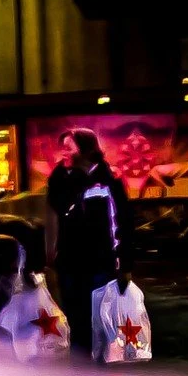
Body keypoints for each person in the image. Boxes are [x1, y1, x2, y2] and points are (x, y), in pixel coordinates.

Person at [47, 128, 132, 357]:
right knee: (75, 318)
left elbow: (121, 220)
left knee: (99, 318)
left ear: (85, 149)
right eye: (62, 146)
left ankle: (101, 367)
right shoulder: (62, 179)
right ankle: (80, 366)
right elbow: (56, 208)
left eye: (68, 147)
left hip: (100, 263)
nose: (63, 152)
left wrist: (123, 261)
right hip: (70, 262)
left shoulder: (107, 179)